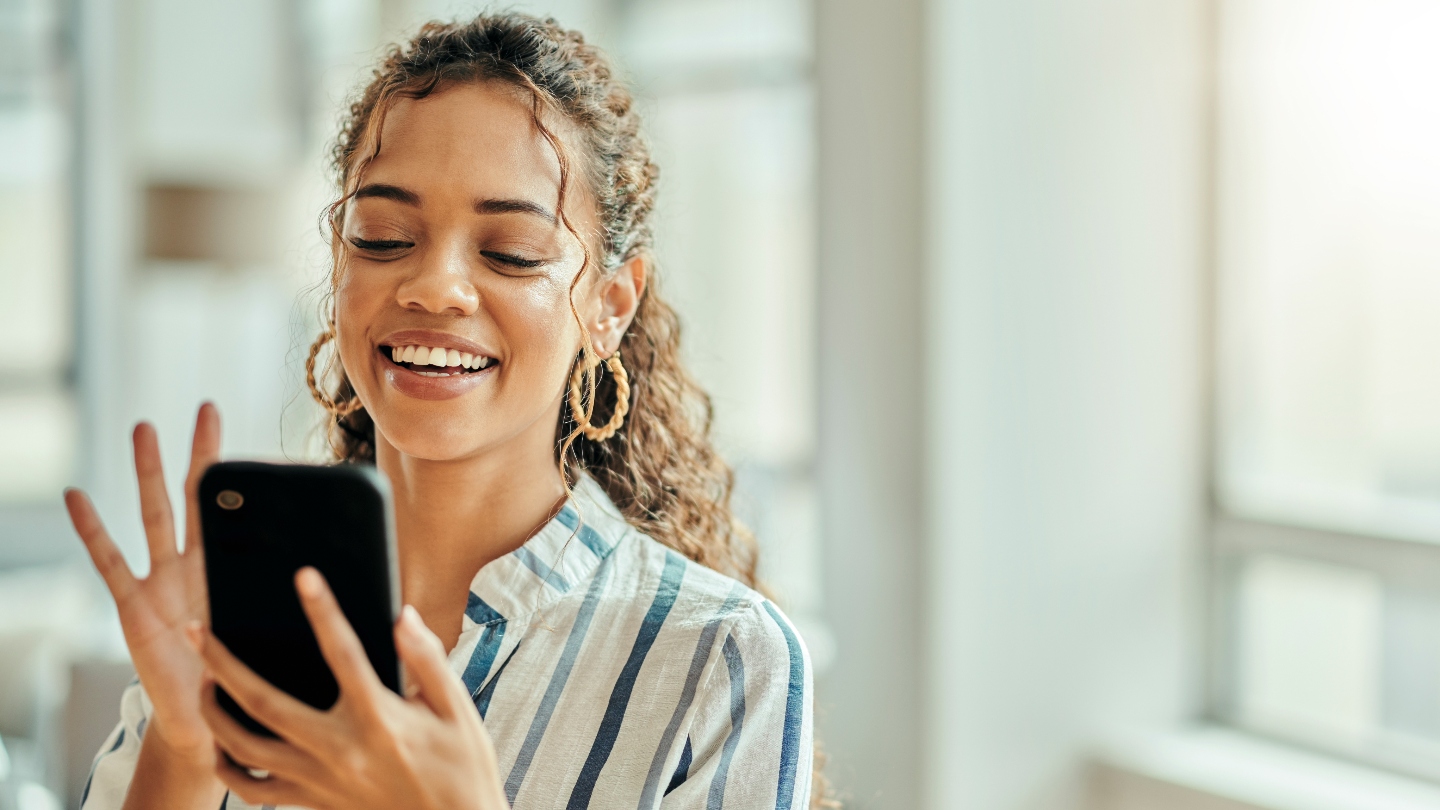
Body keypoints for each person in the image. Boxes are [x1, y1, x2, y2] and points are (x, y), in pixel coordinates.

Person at [63, 12, 819, 810]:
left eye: (511, 253)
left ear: (609, 305)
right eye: (385, 237)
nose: (434, 287)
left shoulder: (719, 661)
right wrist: (181, 753)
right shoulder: (236, 618)